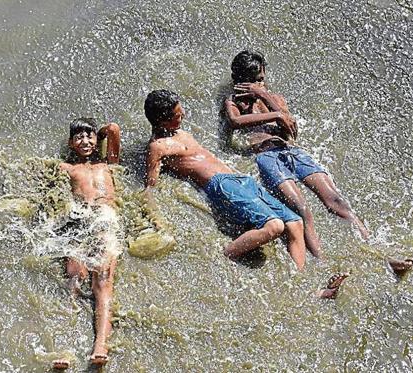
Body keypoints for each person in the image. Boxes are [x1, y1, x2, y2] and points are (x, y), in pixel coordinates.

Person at [143, 89, 348, 297]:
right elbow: (151, 186)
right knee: (275, 225)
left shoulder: (181, 133)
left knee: (295, 223)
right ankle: (226, 253)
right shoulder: (158, 147)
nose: (184, 115)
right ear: (163, 121)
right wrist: (154, 217)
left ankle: (303, 288)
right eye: (178, 115)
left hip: (241, 180)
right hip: (221, 184)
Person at [223, 50, 370, 259]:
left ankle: (376, 251)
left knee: (336, 201)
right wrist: (275, 114)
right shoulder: (234, 102)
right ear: (242, 82)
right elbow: (235, 123)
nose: (261, 85)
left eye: (262, 80)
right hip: (268, 157)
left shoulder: (274, 98)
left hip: (293, 153)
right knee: (301, 208)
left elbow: (291, 131)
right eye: (256, 81)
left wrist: (265, 97)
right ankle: (322, 261)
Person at [51, 118, 122, 369]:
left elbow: (113, 128)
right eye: (79, 137)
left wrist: (99, 135)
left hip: (104, 221)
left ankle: (100, 344)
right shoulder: (67, 169)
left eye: (89, 136)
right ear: (71, 143)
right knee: (73, 279)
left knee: (102, 282)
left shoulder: (108, 164)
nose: (85, 141)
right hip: (79, 221)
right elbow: (52, 196)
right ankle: (64, 344)